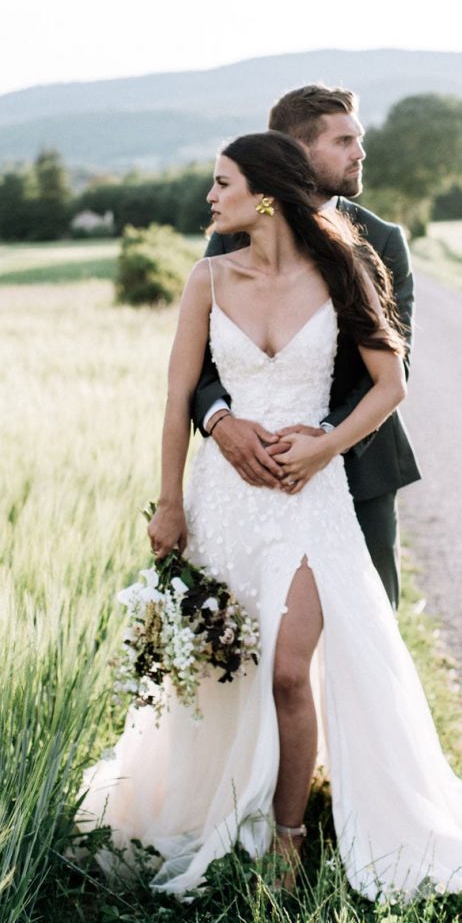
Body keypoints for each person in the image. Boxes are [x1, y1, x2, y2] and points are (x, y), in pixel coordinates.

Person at [77, 131, 462, 900]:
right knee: (232, 670)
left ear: (263, 194)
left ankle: (289, 834)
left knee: (290, 670)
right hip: (226, 497)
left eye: (221, 183)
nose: (209, 199)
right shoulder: (207, 279)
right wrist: (170, 499)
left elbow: (391, 384)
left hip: (310, 499)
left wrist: (327, 446)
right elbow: (176, 397)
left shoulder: (344, 267)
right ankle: (223, 805)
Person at [192, 84, 419, 609]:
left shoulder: (381, 243)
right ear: (296, 152)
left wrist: (323, 441)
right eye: (343, 141)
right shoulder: (230, 238)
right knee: (253, 636)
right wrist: (222, 424)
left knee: (369, 625)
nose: (360, 153)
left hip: (360, 470)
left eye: (357, 139)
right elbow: (199, 363)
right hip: (248, 473)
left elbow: (391, 368)